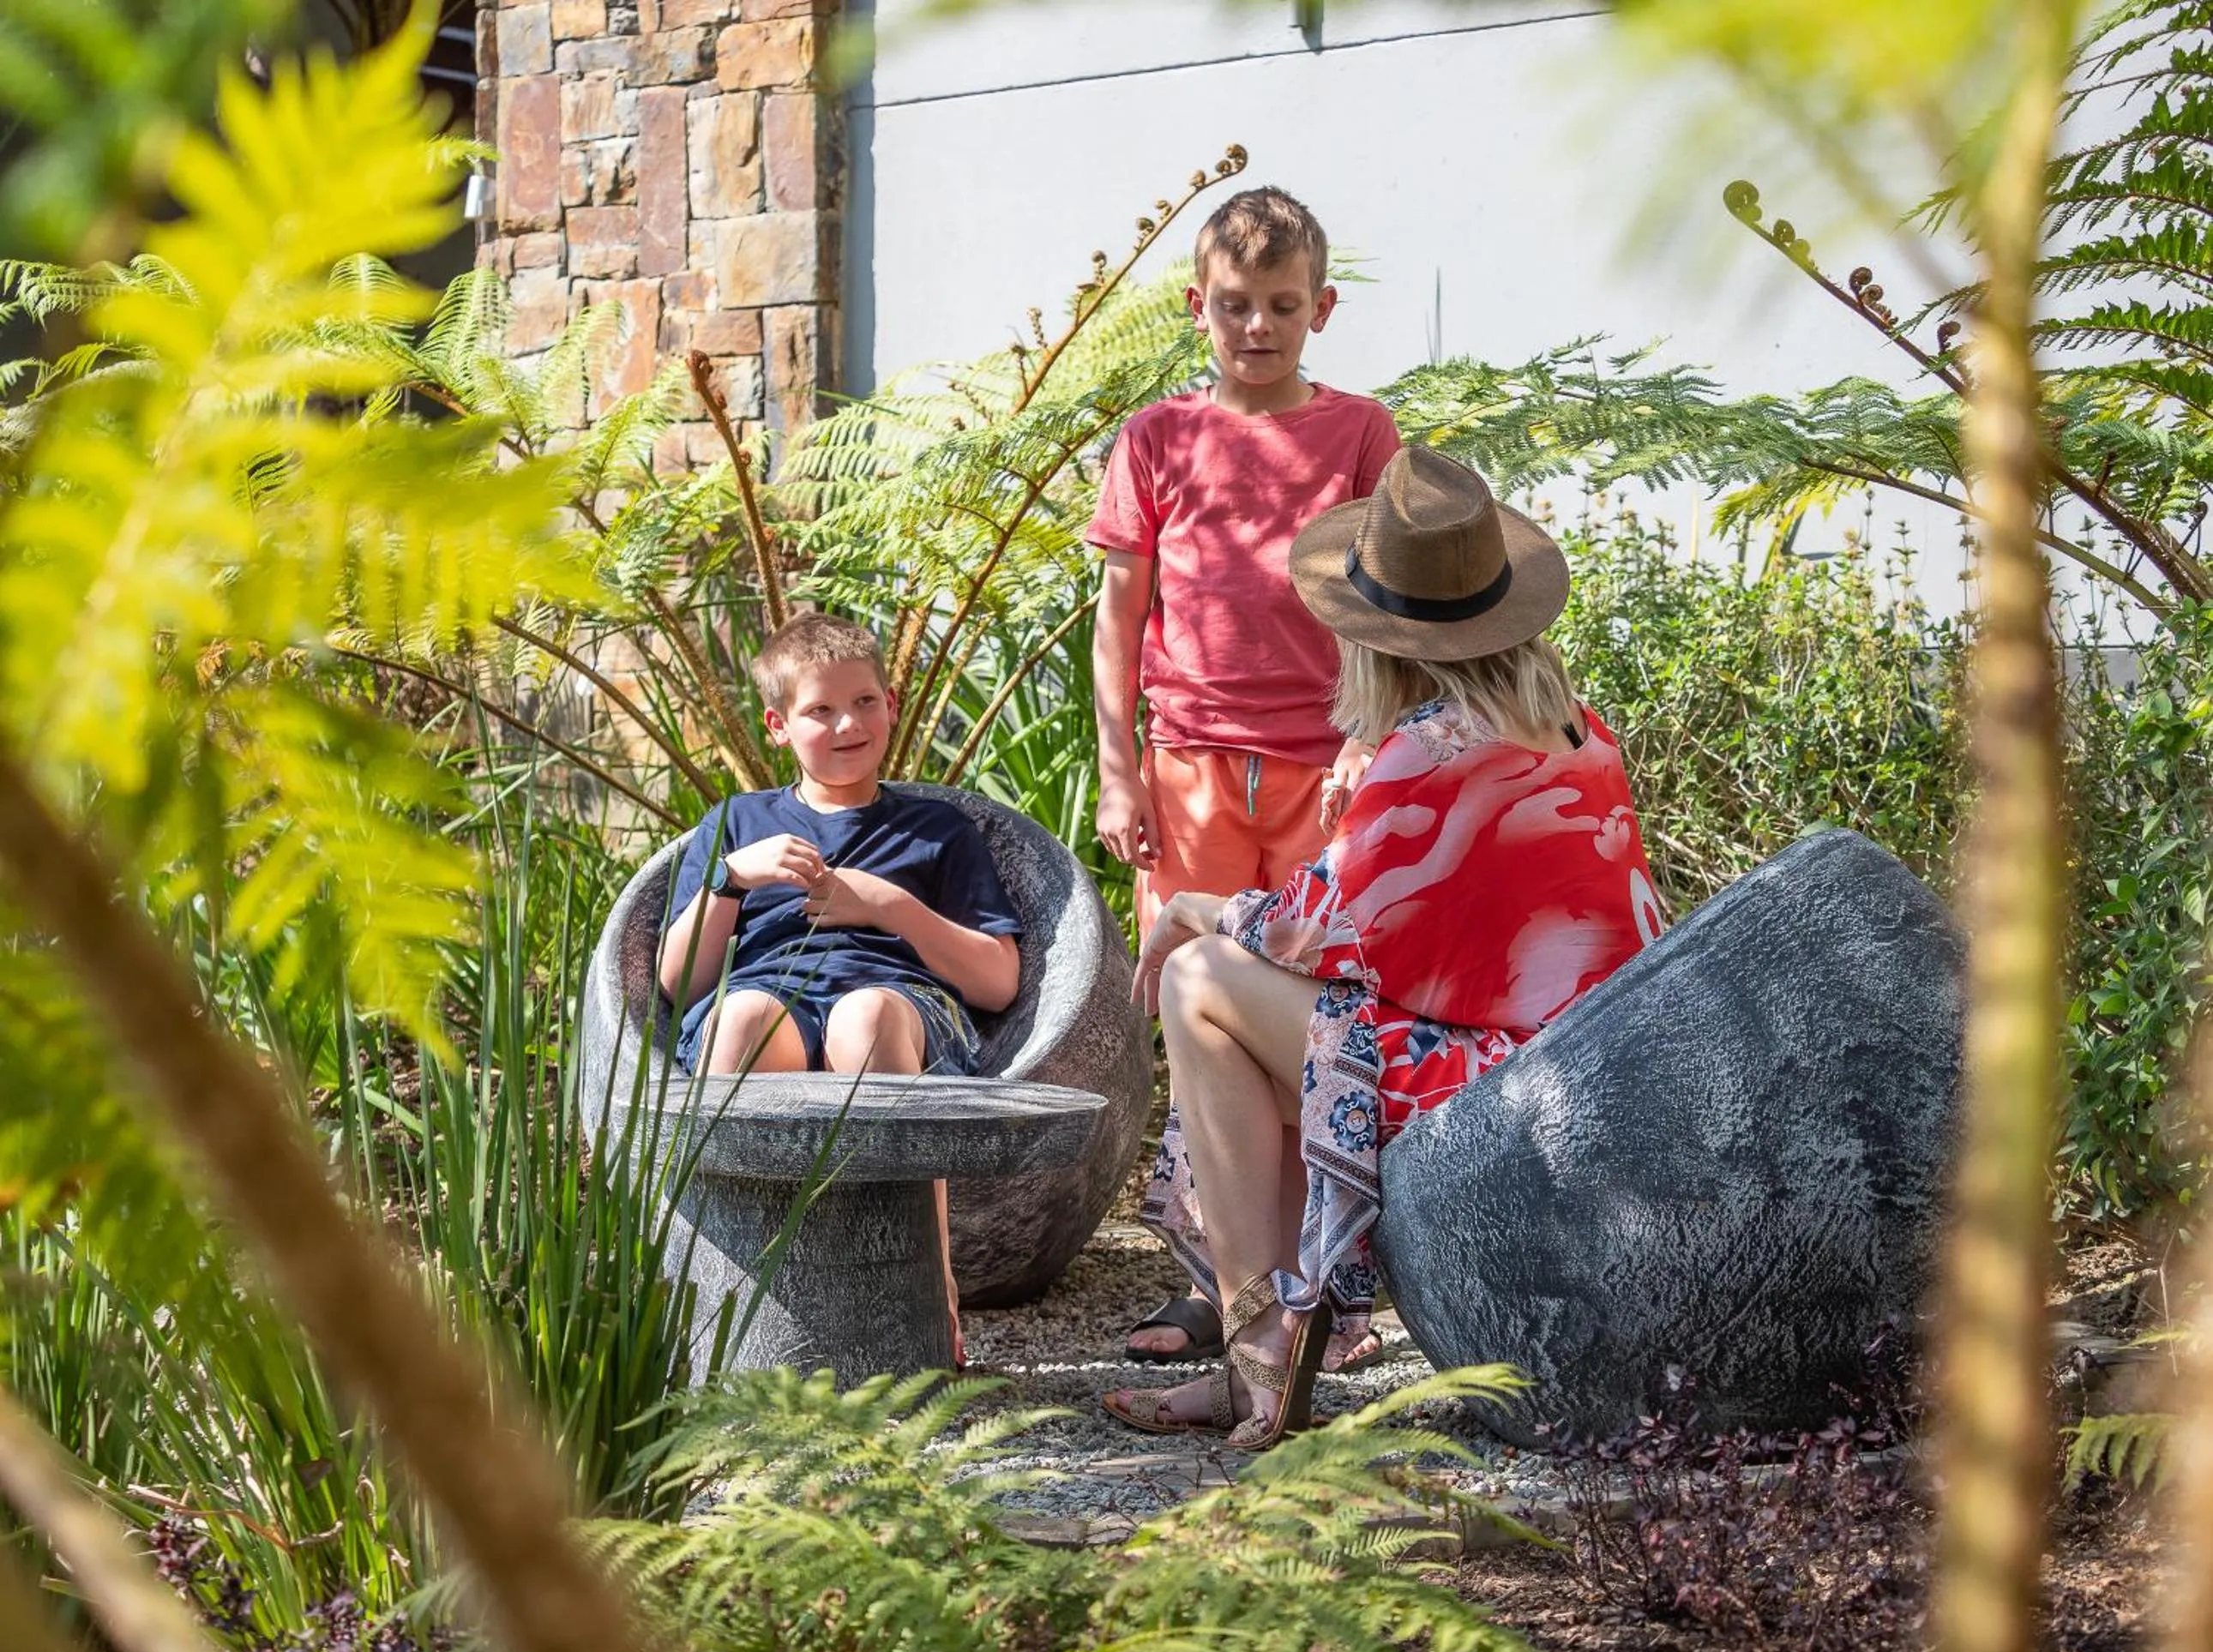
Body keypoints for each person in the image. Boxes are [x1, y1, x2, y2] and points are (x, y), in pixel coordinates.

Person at [1102, 446, 1668, 1448]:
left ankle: (1258, 1355)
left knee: (1198, 980)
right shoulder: (1583, 730)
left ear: (1380, 639)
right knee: (1249, 1027)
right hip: (1596, 1075)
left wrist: (1189, 905)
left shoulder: (1431, 748)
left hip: (1502, 1096)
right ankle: (1265, 1350)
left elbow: (1317, 936)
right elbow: (1408, 943)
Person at [1088, 184, 1402, 1367]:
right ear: (1196, 309)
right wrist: (1120, 776)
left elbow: (1389, 608)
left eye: (1280, 305)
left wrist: (1371, 742)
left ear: (1320, 307)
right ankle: (1215, 1287)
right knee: (1193, 1018)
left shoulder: (1362, 433)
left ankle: (1332, 1286)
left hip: (1325, 770)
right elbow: (1120, 620)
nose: (1256, 327)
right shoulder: (1157, 439)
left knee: (1316, 1028)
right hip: (1188, 772)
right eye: (1234, 306)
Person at [656, 610, 1025, 1362]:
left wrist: (887, 905)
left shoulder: (936, 832)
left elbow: (996, 981)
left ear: (890, 704)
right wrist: (731, 881)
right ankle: (732, 1300)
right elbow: (676, 983)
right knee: (743, 1018)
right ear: (778, 725)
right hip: (766, 994)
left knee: (864, 1017)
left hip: (898, 1005)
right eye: (819, 710)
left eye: (863, 701)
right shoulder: (737, 823)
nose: (846, 724)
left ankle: (928, 1292)